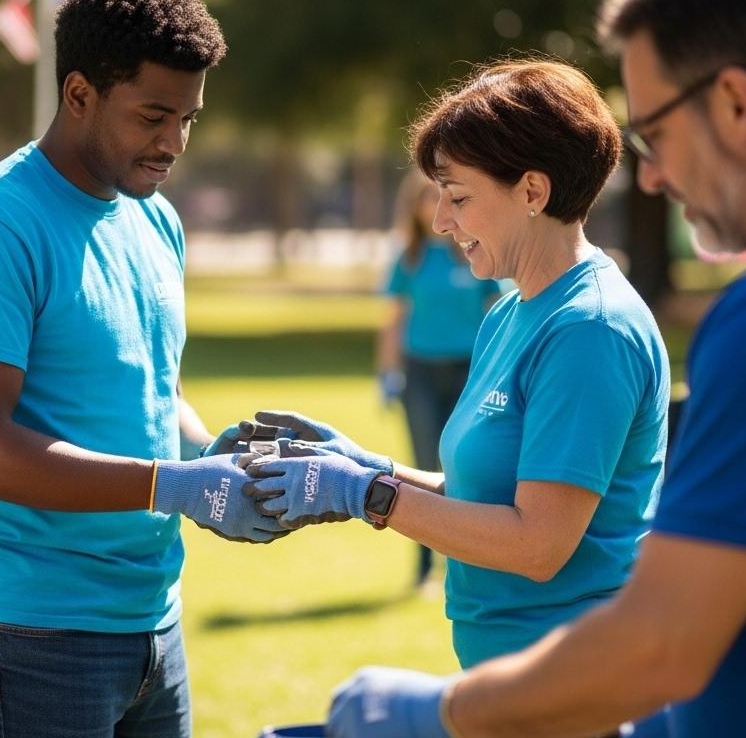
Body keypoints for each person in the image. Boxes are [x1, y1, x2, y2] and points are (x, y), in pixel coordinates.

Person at [322, 0, 746, 736]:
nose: (647, 173)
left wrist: (439, 713)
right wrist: (361, 475)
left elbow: (661, 642)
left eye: (657, 134)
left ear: (739, 103)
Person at [0, 0, 287, 735]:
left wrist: (209, 453)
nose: (175, 143)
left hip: (153, 616)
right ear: (80, 93)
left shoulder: (156, 220)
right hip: (24, 630)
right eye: (154, 115)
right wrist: (171, 485)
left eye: (189, 118)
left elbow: (148, 392)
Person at [240, 59, 670, 670]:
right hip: (509, 671)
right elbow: (481, 494)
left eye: (459, 196)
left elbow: (538, 543)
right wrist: (364, 466)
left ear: (532, 192)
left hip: (575, 674)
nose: (441, 220)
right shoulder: (509, 312)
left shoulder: (590, 329)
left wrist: (370, 495)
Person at [376, 169, 500, 589]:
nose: (436, 208)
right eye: (427, 199)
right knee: (423, 463)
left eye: (444, 198)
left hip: (469, 373)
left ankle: (466, 556)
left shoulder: (472, 252)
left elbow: (498, 311)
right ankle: (425, 566)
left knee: (465, 465)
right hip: (420, 372)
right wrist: (387, 375)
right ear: (415, 207)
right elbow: (393, 320)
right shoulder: (408, 258)